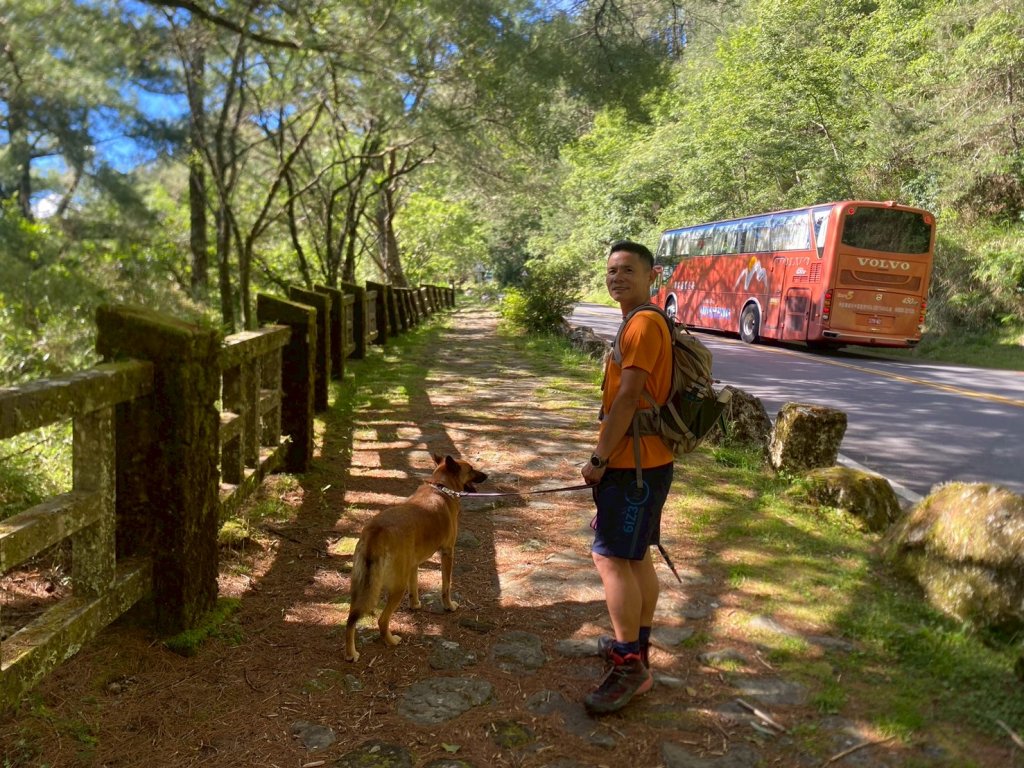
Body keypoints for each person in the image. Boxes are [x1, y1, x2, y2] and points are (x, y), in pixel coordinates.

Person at [580, 239, 674, 714]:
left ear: (650, 275)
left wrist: (599, 458)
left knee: (612, 559)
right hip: (643, 461)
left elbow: (627, 399)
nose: (617, 277)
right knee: (634, 559)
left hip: (634, 465)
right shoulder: (638, 320)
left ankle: (628, 664)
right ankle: (637, 650)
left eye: (627, 270)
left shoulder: (642, 325)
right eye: (612, 270)